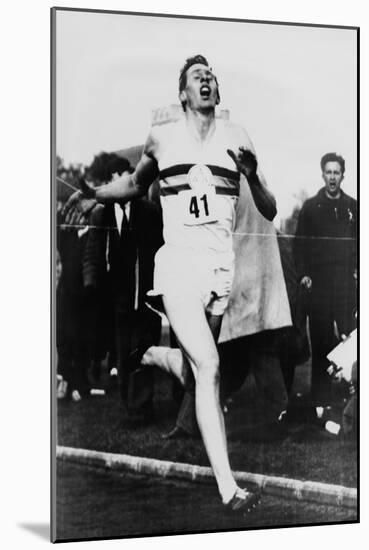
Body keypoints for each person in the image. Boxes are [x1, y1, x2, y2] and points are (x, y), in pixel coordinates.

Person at [63, 54, 278, 513]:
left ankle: (161, 355)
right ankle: (229, 489)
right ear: (182, 93)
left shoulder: (237, 138)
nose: (206, 81)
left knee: (201, 372)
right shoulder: (162, 139)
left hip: (222, 268)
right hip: (178, 265)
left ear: (217, 92)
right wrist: (97, 194)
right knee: (212, 367)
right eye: (197, 77)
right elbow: (137, 185)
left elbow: (270, 207)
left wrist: (253, 174)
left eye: (211, 76)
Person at [83, 155, 163, 424]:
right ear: (112, 181)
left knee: (144, 349)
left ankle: (143, 405)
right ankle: (130, 404)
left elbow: (159, 250)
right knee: (122, 351)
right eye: (122, 177)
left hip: (146, 294)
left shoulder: (149, 211)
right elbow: (93, 253)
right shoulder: (101, 214)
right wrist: (91, 285)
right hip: (117, 297)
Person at [295, 152, 357, 407]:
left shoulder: (354, 207)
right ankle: (320, 403)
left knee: (350, 339)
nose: (332, 177)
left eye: (337, 172)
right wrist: (304, 274)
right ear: (323, 174)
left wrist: (357, 271)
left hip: (345, 285)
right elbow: (299, 246)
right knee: (321, 343)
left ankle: (351, 396)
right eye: (328, 172)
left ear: (343, 175)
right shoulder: (311, 207)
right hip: (319, 285)